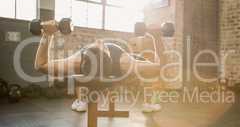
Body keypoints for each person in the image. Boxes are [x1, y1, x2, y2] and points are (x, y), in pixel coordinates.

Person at [34, 23, 166, 113]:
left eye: (97, 46)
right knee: (148, 68)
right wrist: (155, 39)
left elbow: (40, 65)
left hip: (94, 63)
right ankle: (149, 104)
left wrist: (47, 34)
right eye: (100, 47)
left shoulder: (76, 62)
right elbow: (159, 66)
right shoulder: (126, 64)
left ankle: (81, 101)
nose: (99, 42)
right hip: (121, 62)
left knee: (147, 68)